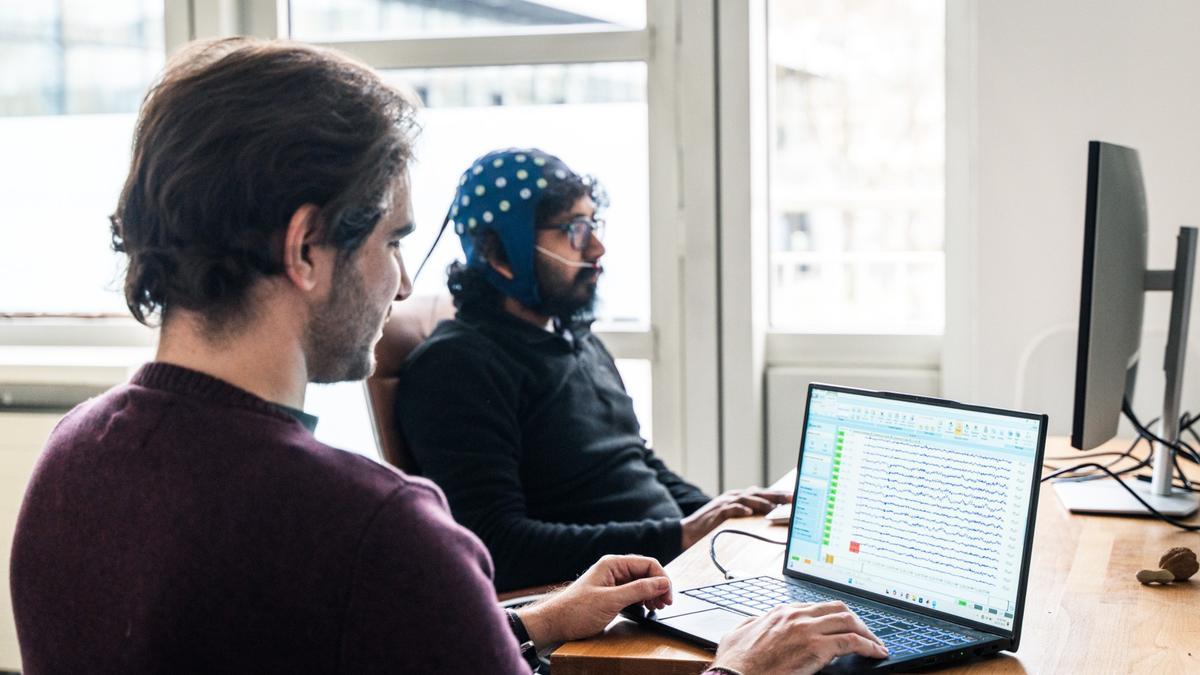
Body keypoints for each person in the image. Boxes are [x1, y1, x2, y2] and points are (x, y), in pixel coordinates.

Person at [9, 37, 886, 674]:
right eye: (392, 241)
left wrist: (533, 621)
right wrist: (738, 672)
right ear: (306, 247)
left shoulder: (67, 464)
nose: (399, 286)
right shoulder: (377, 531)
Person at [395, 148, 792, 592]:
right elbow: (497, 547)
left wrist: (726, 521)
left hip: (665, 574)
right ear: (498, 251)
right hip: (596, 608)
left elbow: (634, 462)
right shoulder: (456, 367)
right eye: (573, 230)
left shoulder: (576, 340)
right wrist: (677, 536)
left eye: (592, 225)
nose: (597, 248)